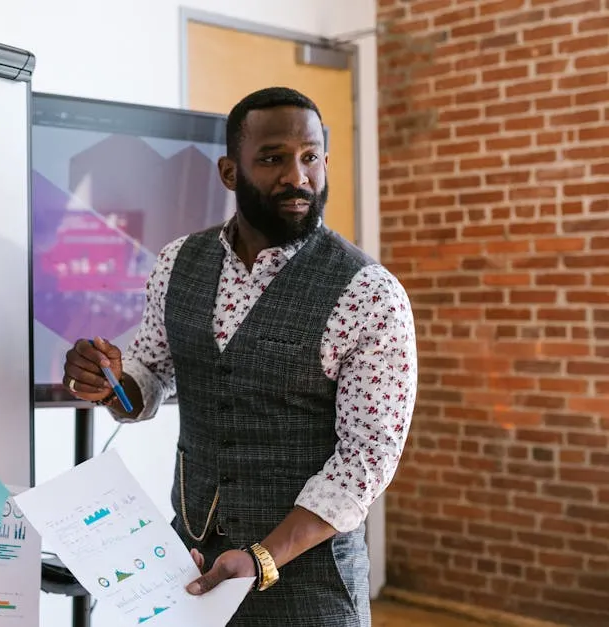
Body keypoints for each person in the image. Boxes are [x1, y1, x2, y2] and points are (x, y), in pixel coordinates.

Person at [63, 86, 417, 627]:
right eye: (273, 158)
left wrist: (262, 558)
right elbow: (149, 373)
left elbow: (364, 462)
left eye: (311, 157)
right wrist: (108, 381)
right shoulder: (178, 261)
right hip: (190, 563)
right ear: (230, 172)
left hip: (309, 585)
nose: (297, 176)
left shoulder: (369, 294)